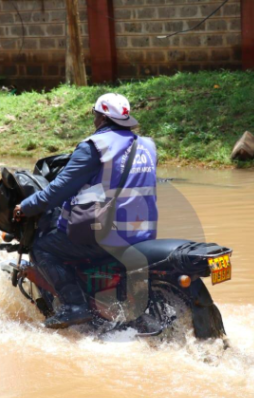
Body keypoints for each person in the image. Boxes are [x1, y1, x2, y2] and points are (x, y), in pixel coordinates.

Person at [15, 93, 158, 329]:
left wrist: (26, 207)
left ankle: (74, 306)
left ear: (101, 117)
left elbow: (56, 191)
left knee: (43, 247)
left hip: (109, 236)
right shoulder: (147, 146)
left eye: (94, 114)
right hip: (143, 232)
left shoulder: (94, 147)